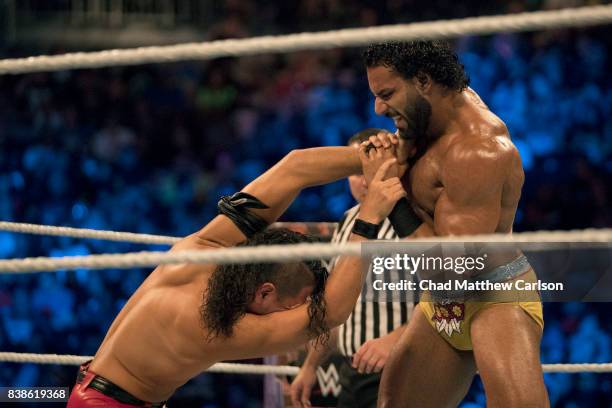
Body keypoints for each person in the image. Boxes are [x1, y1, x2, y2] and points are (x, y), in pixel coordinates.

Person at [67, 146, 407, 407]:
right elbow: (332, 312)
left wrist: (374, 156)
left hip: (102, 390)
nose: (297, 311)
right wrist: (370, 217)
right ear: (264, 293)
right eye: (296, 304)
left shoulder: (201, 249)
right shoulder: (215, 328)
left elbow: (294, 169)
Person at [361, 41, 548, 407]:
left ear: (424, 81)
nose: (378, 108)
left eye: (386, 94)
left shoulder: (478, 150)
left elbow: (451, 270)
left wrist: (388, 198)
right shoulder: (428, 114)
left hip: (493, 298)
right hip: (442, 302)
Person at [290, 128, 411, 408]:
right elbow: (336, 303)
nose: (365, 177)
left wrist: (396, 338)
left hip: (404, 367)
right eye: (357, 169)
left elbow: (448, 291)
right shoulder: (347, 221)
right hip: (352, 372)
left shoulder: (414, 216)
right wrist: (310, 367)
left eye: (373, 164)